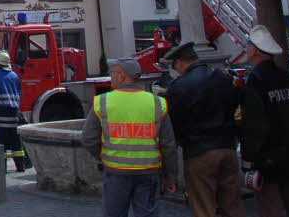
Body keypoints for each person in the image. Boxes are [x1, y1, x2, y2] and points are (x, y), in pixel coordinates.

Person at [82, 57, 177, 217]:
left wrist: (103, 156)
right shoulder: (156, 103)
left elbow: (88, 138)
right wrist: (170, 176)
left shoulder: (103, 102)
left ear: (121, 76)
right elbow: (168, 144)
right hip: (148, 172)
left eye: (112, 73)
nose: (110, 76)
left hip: (116, 172)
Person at [163, 41, 243, 217]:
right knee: (232, 204)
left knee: (203, 206)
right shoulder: (222, 78)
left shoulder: (180, 86)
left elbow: (174, 122)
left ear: (181, 62)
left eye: (175, 66)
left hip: (199, 152)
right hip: (227, 146)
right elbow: (234, 106)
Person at [239, 25, 289, 217]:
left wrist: (249, 159)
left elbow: (255, 124)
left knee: (270, 204)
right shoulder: (286, 77)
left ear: (254, 51)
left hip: (268, 155)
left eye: (248, 46)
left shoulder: (256, 81)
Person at [0, 50, 27, 172]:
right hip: (14, 115)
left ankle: (2, 168)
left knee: (0, 144)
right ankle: (20, 166)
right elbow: (19, 92)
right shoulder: (15, 76)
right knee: (16, 142)